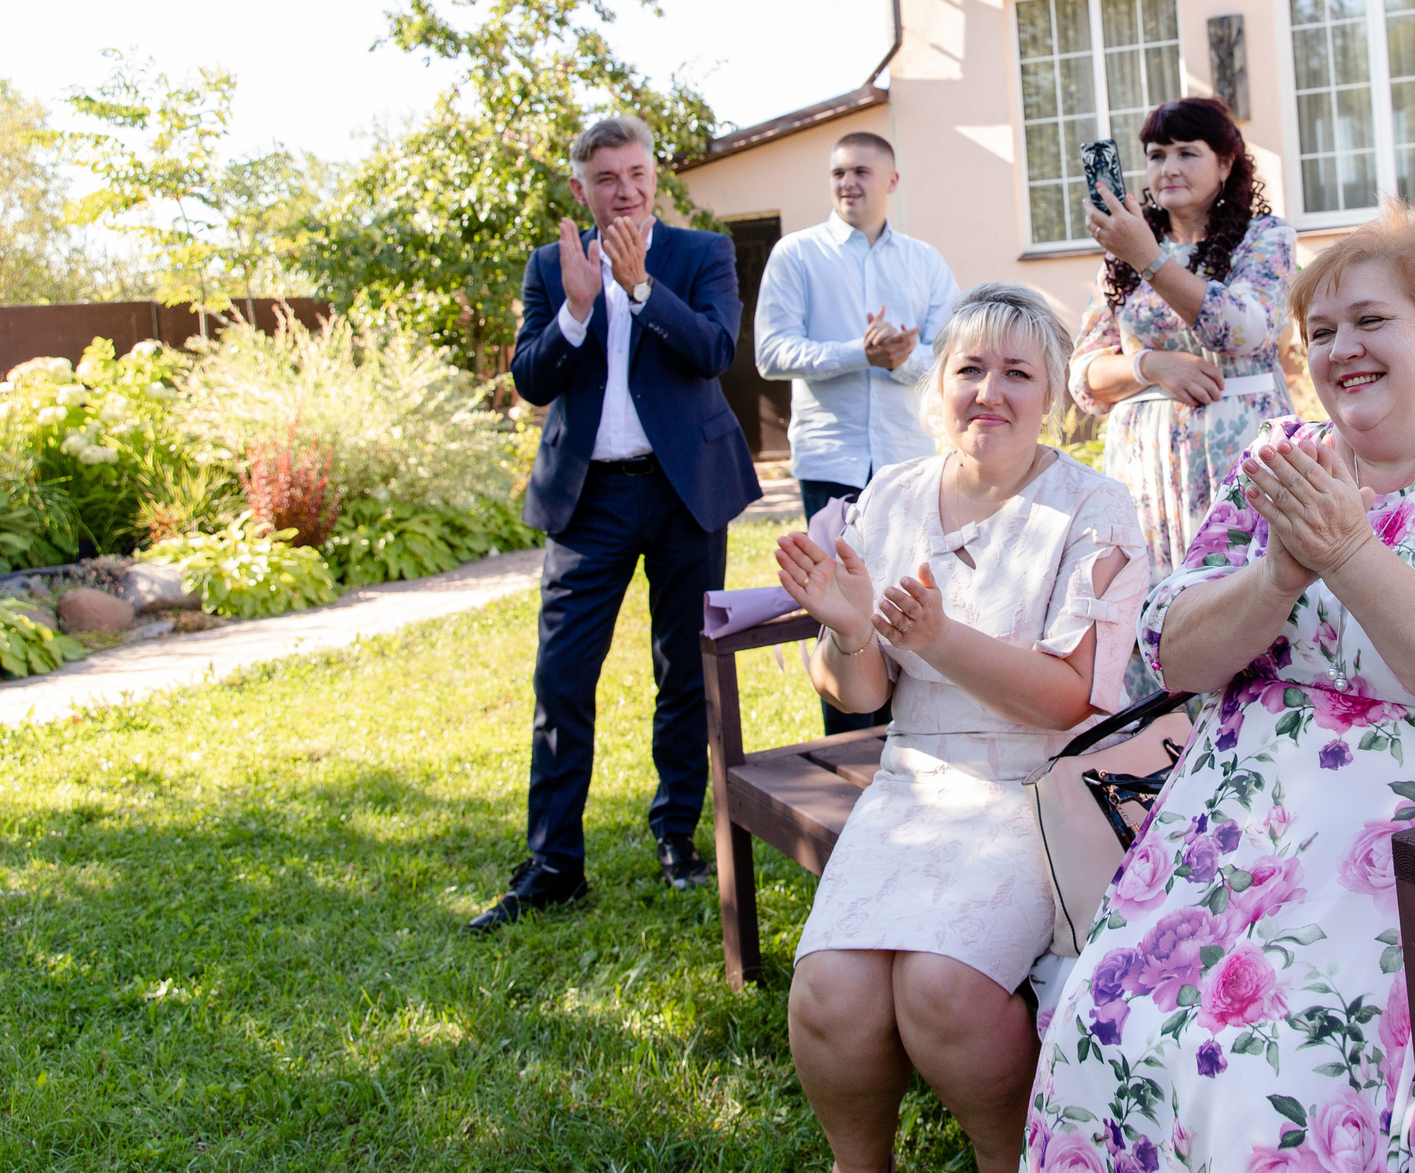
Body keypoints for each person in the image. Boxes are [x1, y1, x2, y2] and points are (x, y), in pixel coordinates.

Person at [1026, 206, 1415, 1172]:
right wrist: (1277, 576)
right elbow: (1174, 655)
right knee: (1101, 1021)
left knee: (1264, 1079)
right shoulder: (1281, 459)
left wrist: (1350, 554)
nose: (1341, 346)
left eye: (1370, 320)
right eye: (1320, 332)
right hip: (1242, 831)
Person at [776, 283, 1148, 1173]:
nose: (991, 391)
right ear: (937, 382)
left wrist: (940, 636)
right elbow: (859, 694)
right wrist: (848, 625)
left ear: (1054, 393)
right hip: (913, 782)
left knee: (943, 988)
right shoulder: (891, 495)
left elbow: (1071, 699)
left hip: (1035, 790)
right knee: (830, 990)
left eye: (1018, 372)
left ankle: (1009, 1160)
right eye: (970, 368)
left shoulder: (1095, 508)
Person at [474, 114, 761, 929]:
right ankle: (555, 862)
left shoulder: (699, 254)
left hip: (682, 492)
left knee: (683, 671)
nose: (625, 189)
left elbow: (712, 351)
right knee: (562, 675)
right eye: (607, 178)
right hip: (587, 500)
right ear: (581, 188)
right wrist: (575, 308)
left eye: (636, 173)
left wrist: (639, 288)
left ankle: (677, 834)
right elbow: (532, 380)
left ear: (654, 177)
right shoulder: (548, 265)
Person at [755, 129, 960, 733]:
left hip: (907, 459)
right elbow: (770, 353)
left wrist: (904, 360)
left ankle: (917, 739)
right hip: (831, 460)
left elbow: (951, 359)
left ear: (891, 182)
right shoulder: (797, 255)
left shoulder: (925, 262)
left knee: (910, 604)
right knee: (837, 610)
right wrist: (856, 352)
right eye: (839, 172)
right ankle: (846, 751)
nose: (849, 183)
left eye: (862, 172)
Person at [1071, 97, 1296, 586]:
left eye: (1186, 153)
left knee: (1245, 597)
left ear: (1225, 162)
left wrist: (1148, 260)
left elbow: (1241, 329)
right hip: (1144, 467)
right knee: (1148, 608)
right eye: (1156, 155)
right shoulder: (1123, 251)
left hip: (1241, 458)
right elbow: (1084, 374)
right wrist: (1150, 366)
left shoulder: (1266, 238)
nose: (1168, 168)